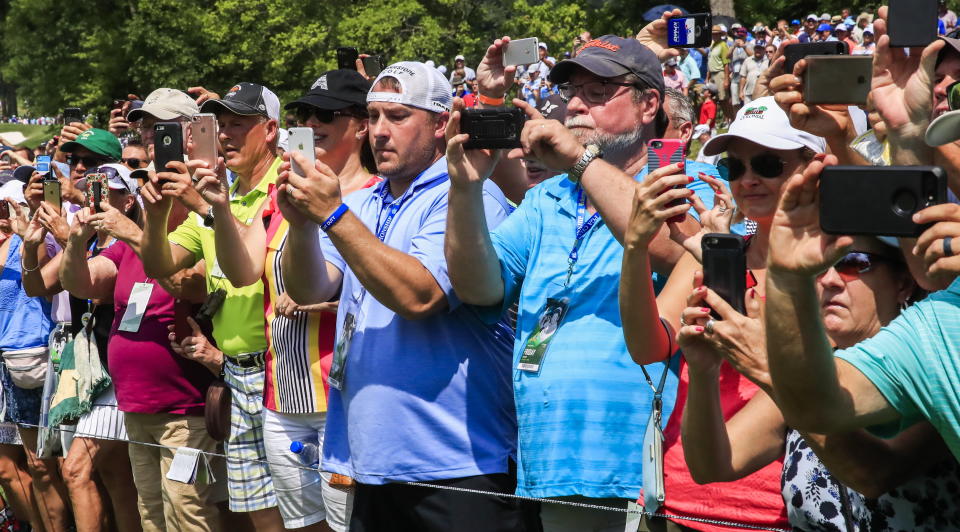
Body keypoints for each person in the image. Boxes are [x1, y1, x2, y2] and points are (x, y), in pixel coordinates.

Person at [445, 28, 722, 529]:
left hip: (651, 467)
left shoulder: (694, 181)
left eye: (597, 94)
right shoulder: (546, 198)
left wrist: (578, 159)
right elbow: (478, 288)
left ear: (648, 105)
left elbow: (673, 250)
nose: (575, 106)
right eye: (571, 92)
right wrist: (466, 190)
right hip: (554, 464)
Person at [278, 61, 528, 532]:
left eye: (397, 116)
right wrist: (301, 227)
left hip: (458, 467)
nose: (379, 131)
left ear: (439, 124)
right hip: (376, 460)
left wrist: (330, 214)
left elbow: (420, 296)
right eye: (372, 117)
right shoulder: (364, 202)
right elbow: (309, 288)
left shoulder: (470, 199)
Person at [622, 97, 825, 532]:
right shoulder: (713, 255)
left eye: (768, 165)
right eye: (735, 168)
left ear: (812, 165)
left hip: (773, 510)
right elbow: (647, 347)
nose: (748, 180)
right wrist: (636, 247)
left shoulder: (836, 268)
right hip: (675, 497)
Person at [678, 234, 960, 530]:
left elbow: (874, 474)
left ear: (902, 282)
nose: (830, 280)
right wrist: (704, 372)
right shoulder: (807, 371)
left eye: (853, 264)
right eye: (819, 267)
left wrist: (771, 368)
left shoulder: (930, 358)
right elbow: (712, 464)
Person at [200, 69, 378, 532]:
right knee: (300, 527)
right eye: (305, 113)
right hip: (282, 394)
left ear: (362, 125)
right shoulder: (287, 193)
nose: (312, 122)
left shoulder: (378, 198)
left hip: (341, 397)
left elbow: (381, 297)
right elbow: (242, 271)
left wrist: (314, 304)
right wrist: (219, 207)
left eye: (327, 114)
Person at [140, 82, 285, 531]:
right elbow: (159, 262)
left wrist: (205, 205)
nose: (225, 135)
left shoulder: (284, 185)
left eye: (239, 124)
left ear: (271, 130)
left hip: (281, 372)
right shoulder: (225, 191)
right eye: (219, 125)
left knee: (299, 513)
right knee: (258, 514)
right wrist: (160, 211)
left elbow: (252, 266)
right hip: (235, 372)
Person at [57, 163, 220, 532]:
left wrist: (130, 231)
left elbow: (186, 284)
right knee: (151, 514)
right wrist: (76, 241)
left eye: (162, 185)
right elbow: (79, 284)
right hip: (136, 409)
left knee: (188, 513)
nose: (153, 193)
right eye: (148, 184)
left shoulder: (197, 241)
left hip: (185, 412)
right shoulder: (125, 251)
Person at [707, 26, 731, 123]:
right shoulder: (713, 45)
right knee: (718, 100)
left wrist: (726, 79)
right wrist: (708, 76)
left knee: (724, 99)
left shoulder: (723, 45)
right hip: (713, 74)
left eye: (716, 33)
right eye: (713, 33)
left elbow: (726, 63)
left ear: (720, 34)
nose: (714, 35)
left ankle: (731, 119)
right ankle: (727, 119)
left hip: (720, 73)